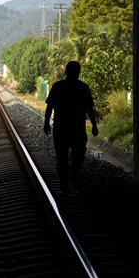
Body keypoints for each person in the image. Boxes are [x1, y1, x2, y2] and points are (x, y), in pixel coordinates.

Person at [43, 61, 98, 194]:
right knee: (78, 154)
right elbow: (89, 109)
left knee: (61, 157)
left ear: (66, 72)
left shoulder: (58, 87)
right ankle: (72, 175)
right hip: (77, 129)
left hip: (61, 128)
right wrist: (94, 125)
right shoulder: (83, 88)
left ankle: (64, 184)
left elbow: (49, 107)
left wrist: (46, 123)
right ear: (78, 72)